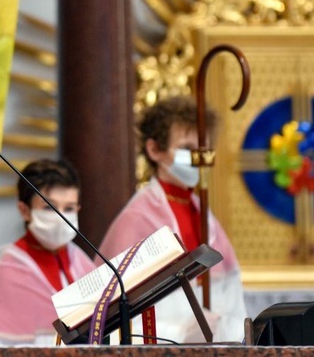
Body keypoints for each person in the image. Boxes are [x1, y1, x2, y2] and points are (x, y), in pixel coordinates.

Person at [98, 95, 247, 343]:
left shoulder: (206, 218)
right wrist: (179, 334)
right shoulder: (137, 220)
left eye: (203, 149)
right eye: (187, 149)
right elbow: (111, 319)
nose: (197, 158)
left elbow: (233, 302)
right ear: (154, 149)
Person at [0, 158, 96, 346]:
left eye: (69, 208)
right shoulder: (5, 273)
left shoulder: (81, 261)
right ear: (25, 210)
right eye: (49, 207)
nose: (61, 217)